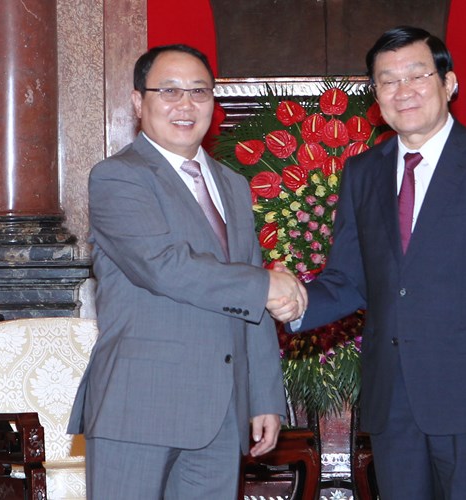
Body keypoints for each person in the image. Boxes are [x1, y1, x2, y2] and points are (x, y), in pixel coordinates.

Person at [272, 26, 466, 499]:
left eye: (417, 75)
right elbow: (349, 278)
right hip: (393, 405)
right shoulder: (363, 173)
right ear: (376, 95)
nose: (403, 90)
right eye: (388, 80)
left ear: (449, 83)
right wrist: (294, 302)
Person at [67, 44, 306, 499]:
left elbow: (248, 301)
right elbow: (162, 266)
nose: (186, 104)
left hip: (221, 413)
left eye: (199, 92)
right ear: (138, 102)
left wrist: (264, 397)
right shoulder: (118, 176)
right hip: (139, 406)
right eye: (169, 91)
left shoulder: (233, 185)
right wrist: (265, 285)